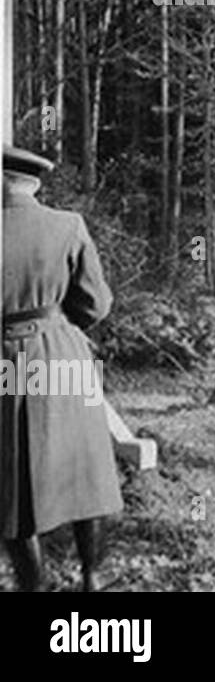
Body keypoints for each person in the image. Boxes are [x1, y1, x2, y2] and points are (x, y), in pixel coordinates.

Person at [2, 146, 121, 592]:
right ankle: (92, 577)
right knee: (86, 466)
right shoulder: (68, 225)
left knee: (10, 477)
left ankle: (32, 583)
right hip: (61, 355)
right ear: (33, 185)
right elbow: (96, 303)